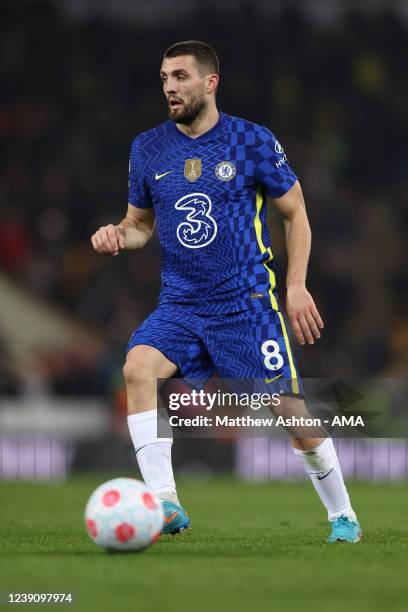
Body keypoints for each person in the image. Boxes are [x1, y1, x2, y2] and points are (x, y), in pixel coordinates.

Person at [91, 40, 361, 543]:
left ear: (210, 82)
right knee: (136, 369)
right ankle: (164, 502)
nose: (170, 87)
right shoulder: (148, 148)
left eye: (180, 76)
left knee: (289, 411)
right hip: (180, 305)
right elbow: (138, 226)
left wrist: (296, 285)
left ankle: (342, 514)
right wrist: (116, 235)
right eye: (164, 78)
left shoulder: (251, 141)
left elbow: (295, 212)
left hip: (247, 305)